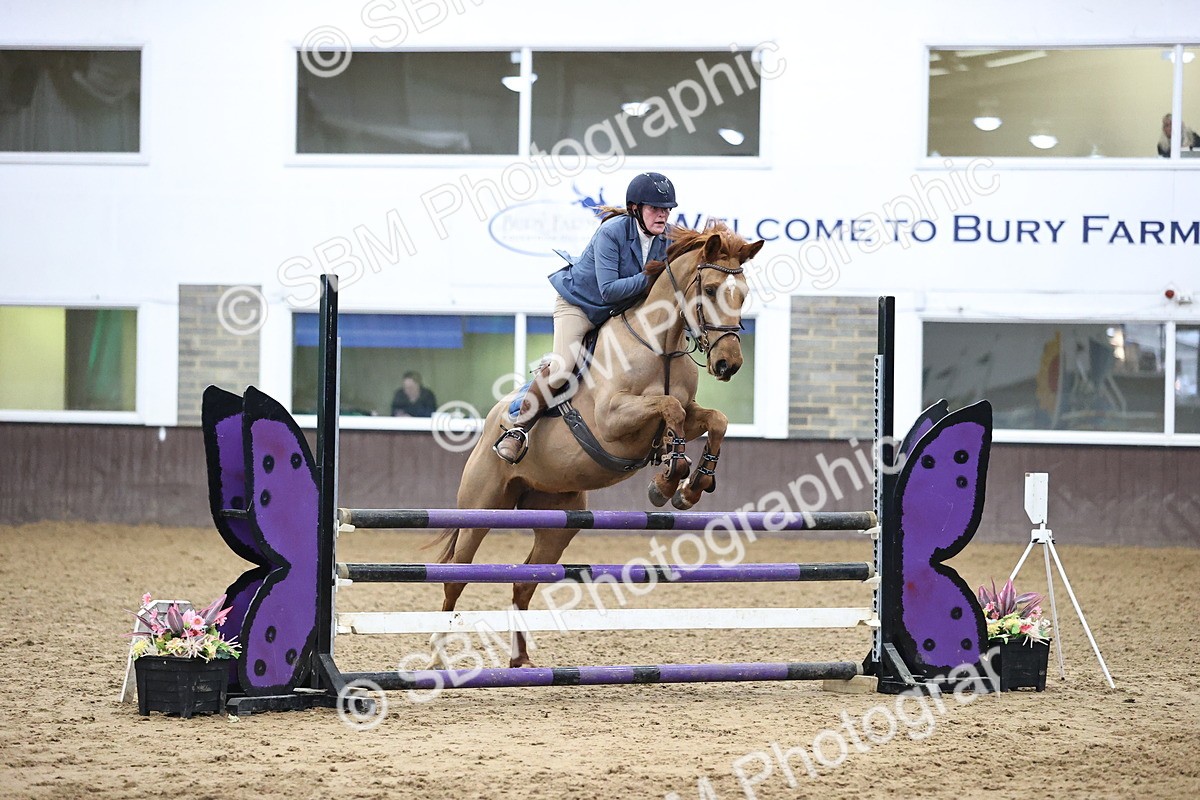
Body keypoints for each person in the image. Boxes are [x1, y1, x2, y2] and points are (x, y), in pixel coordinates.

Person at [492, 171, 677, 464]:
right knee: (564, 366)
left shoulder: (668, 237)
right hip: (580, 305)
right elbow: (608, 290)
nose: (662, 215)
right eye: (655, 208)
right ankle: (518, 429)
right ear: (635, 209)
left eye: (666, 209)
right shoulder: (613, 232)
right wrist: (651, 277)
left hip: (619, 314)